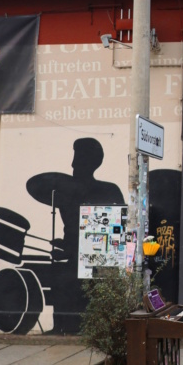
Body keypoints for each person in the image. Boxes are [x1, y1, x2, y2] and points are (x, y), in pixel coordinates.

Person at [26, 138, 124, 334]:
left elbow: (116, 234)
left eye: (78, 159)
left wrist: (71, 248)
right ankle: (61, 325)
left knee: (71, 278)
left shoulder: (109, 191)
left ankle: (82, 326)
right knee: (61, 275)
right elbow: (72, 232)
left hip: (99, 263)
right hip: (73, 260)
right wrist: (65, 245)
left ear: (91, 162)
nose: (72, 165)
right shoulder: (65, 193)